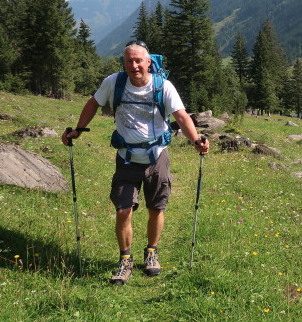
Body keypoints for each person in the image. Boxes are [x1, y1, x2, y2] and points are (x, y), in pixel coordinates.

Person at [62, 41, 209, 285]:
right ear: (124, 63)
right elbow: (93, 103)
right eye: (129, 60)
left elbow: (181, 116)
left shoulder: (163, 86)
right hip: (126, 159)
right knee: (123, 210)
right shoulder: (114, 83)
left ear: (149, 62)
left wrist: (196, 141)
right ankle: (125, 259)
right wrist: (78, 130)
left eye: (139, 60)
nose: (134, 65)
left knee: (156, 208)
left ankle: (151, 251)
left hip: (157, 156)